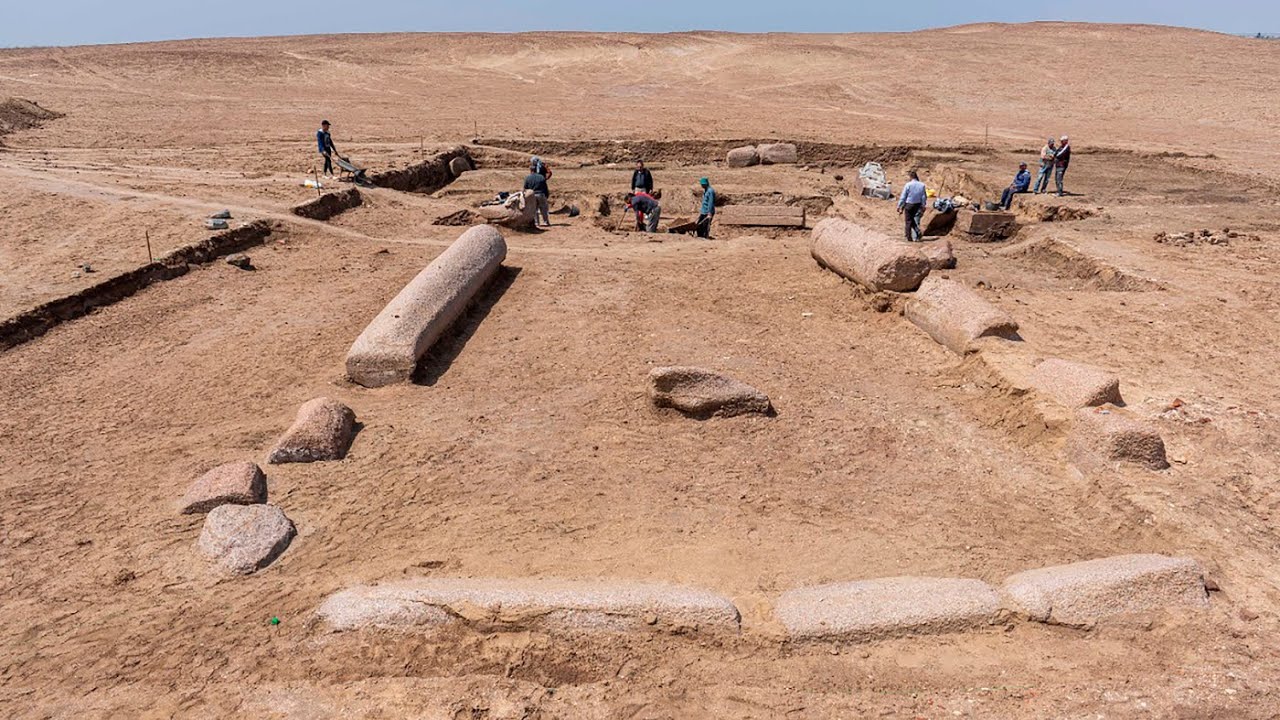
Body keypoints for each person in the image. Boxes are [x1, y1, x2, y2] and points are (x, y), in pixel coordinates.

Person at [897, 170, 928, 242]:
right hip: (917, 205)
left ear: (911, 177)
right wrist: (923, 205)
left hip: (909, 204)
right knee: (913, 219)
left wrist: (899, 205)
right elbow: (924, 196)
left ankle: (909, 237)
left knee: (908, 221)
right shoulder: (922, 185)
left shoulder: (908, 185)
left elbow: (903, 196)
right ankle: (917, 232)